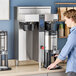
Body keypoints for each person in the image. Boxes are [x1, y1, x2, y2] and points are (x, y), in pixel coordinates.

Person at [47, 9, 76, 76]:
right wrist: (63, 56)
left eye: (66, 20)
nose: (65, 22)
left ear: (71, 19)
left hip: (73, 69)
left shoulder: (74, 34)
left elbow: (66, 50)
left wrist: (54, 63)